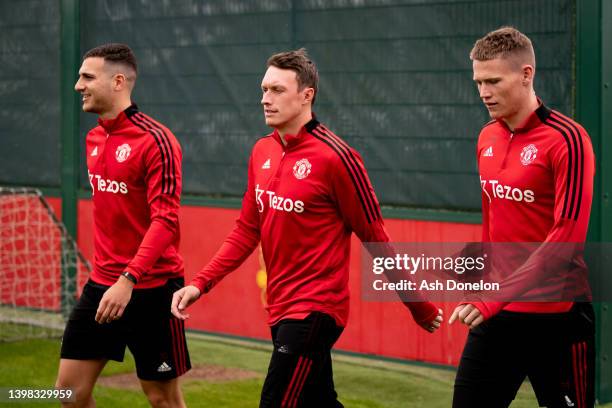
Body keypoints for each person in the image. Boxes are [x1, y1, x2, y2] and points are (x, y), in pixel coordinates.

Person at [171, 48, 443, 407]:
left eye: (277, 90)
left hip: (317, 309)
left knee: (276, 402)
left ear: (306, 95)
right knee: (318, 402)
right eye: (264, 89)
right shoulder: (261, 152)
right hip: (280, 306)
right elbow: (246, 230)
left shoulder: (338, 158)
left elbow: (375, 237)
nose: (265, 99)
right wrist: (200, 283)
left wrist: (418, 305)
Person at [449, 27, 595, 407]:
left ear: (526, 74)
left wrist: (492, 298)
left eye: (494, 81)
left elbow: (565, 237)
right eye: (479, 81)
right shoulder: (486, 137)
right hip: (498, 315)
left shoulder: (568, 140)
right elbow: (492, 222)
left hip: (558, 319)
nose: (483, 92)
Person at [55, 43, 190, 408]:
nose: (77, 85)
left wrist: (128, 279)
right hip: (102, 286)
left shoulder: (156, 140)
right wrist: (113, 281)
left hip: (152, 290)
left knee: (162, 399)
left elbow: (165, 220)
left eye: (86, 77)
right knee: (68, 394)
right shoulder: (94, 138)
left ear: (118, 81)